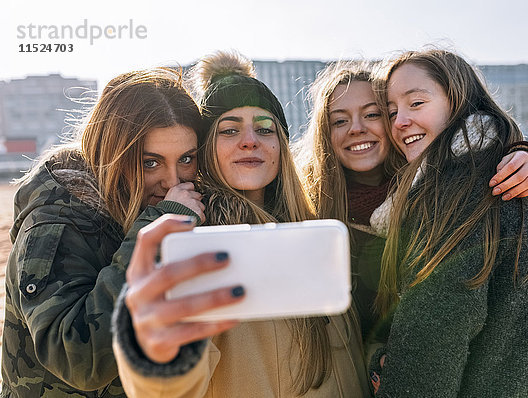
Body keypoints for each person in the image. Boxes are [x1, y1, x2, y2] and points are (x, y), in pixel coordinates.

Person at [111, 51, 370, 398]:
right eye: (230, 130)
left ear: (281, 146)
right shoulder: (198, 249)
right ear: (205, 149)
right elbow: (169, 385)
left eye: (265, 129)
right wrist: (158, 360)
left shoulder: (318, 229)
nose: (250, 140)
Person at [294, 61, 528, 350]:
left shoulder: (432, 186)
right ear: (323, 133)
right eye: (339, 120)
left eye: (373, 114)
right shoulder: (309, 204)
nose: (356, 128)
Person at [369, 49, 528, 396]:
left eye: (416, 103)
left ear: (459, 101)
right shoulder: (501, 173)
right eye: (392, 112)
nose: (399, 122)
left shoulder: (456, 197)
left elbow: (434, 342)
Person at [1, 68, 206, 397]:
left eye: (186, 159)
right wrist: (154, 233)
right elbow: (77, 358)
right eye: (149, 162)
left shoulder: (148, 205)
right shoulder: (55, 223)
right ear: (112, 155)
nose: (174, 180)